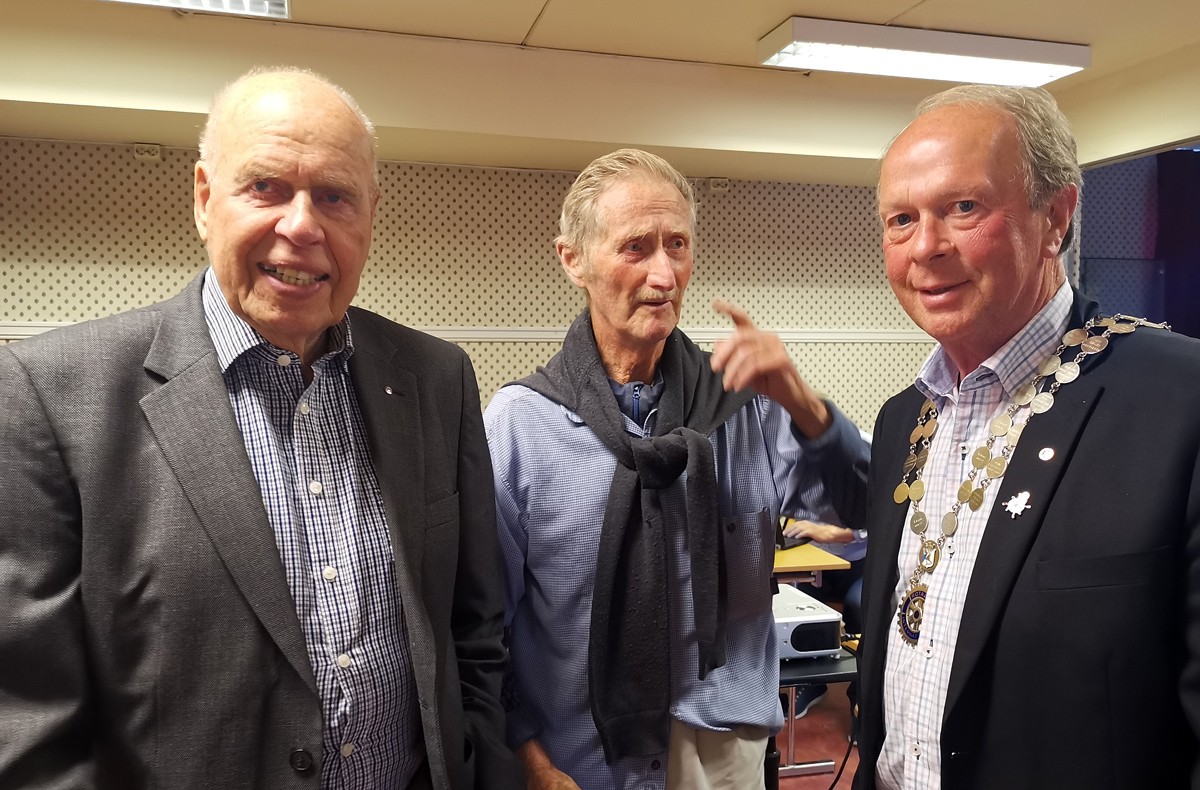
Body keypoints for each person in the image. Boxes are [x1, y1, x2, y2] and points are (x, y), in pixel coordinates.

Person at [0, 66, 519, 789]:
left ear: (370, 216)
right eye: (266, 186)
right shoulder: (51, 395)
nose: (302, 225)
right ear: (204, 198)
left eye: (335, 196)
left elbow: (474, 630)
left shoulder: (436, 378)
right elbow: (31, 720)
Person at [484, 148, 869, 790]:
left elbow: (865, 510)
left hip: (724, 754)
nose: (664, 275)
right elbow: (482, 620)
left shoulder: (746, 408)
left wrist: (806, 406)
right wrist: (529, 761)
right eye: (635, 247)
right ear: (573, 260)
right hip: (580, 760)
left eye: (678, 245)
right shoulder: (520, 426)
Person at [855, 84, 1200, 789]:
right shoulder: (901, 421)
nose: (926, 247)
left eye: (963, 207)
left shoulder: (1180, 403)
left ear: (1056, 218)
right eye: (901, 219)